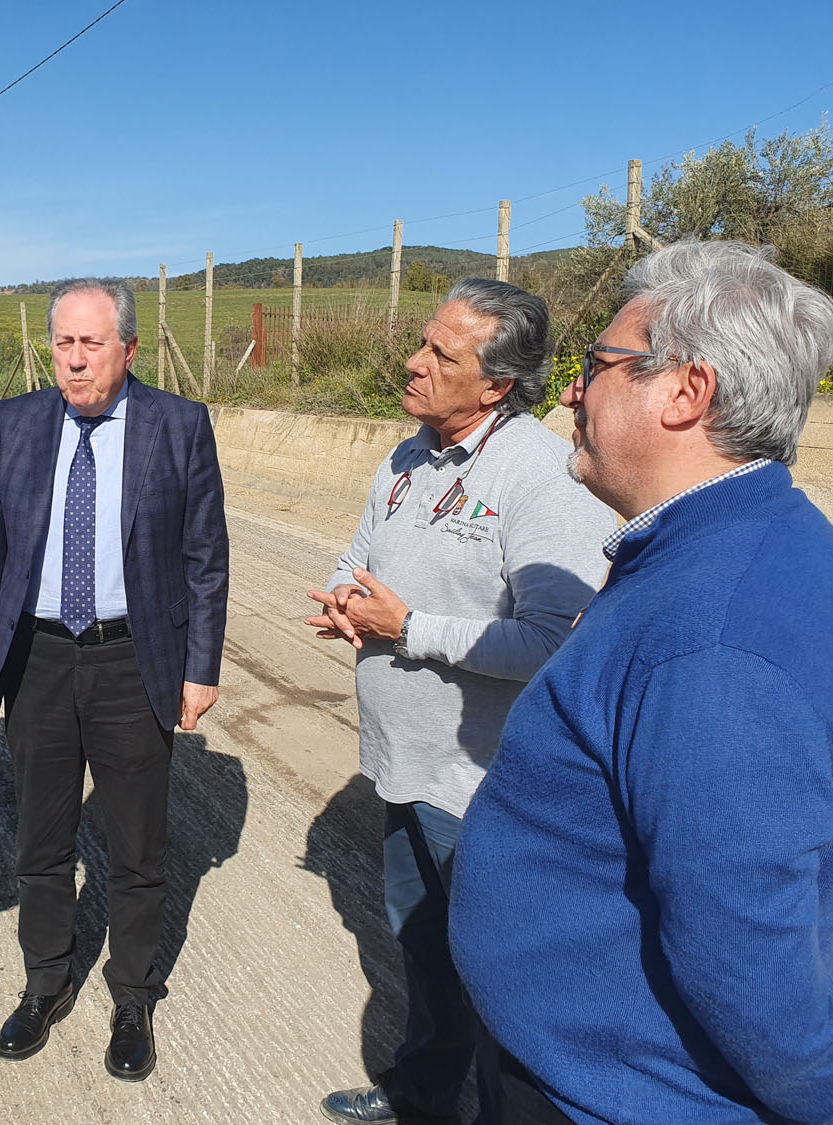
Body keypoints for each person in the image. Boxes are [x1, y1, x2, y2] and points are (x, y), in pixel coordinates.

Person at [449, 241, 833, 1124]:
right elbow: (809, 838)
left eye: (597, 365)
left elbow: (745, 953)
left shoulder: (714, 633)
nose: (569, 392)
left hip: (613, 1098)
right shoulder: (747, 547)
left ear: (685, 392)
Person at [307, 279, 614, 1125]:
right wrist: (346, 597)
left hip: (480, 789)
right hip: (405, 767)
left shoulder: (541, 475)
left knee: (499, 988)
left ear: (496, 384)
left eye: (442, 354)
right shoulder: (407, 454)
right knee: (424, 953)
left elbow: (554, 641)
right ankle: (423, 1095)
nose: (414, 363)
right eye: (422, 342)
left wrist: (407, 629)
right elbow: (358, 554)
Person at [0, 277, 228, 1082]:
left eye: (91, 344)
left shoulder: (178, 424)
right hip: (36, 658)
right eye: (63, 343)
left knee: (137, 845)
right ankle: (46, 981)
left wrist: (200, 666)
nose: (73, 360)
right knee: (41, 839)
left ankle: (133, 993)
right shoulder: (15, 422)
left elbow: (206, 557)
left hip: (131, 658)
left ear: (129, 348)